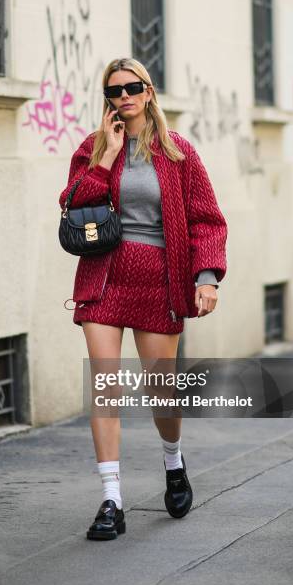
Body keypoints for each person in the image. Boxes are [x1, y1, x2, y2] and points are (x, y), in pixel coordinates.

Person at [59, 57, 228, 541]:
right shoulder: (92, 149)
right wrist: (107, 157)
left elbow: (207, 220)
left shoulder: (179, 154)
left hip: (160, 281)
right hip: (104, 277)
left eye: (133, 87)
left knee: (161, 391)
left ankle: (173, 461)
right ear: (107, 99)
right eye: (115, 91)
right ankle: (112, 499)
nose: (125, 96)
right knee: (105, 385)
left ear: (149, 92)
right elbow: (73, 204)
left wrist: (207, 277)